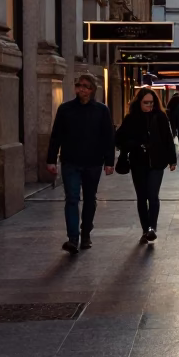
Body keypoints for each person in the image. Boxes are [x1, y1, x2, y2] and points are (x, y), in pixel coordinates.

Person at [46, 74, 115, 253]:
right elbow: (56, 136)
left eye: (85, 86)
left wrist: (109, 161)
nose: (81, 89)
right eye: (78, 85)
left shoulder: (102, 110)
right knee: (72, 198)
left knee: (90, 199)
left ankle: (86, 233)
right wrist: (51, 159)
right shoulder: (65, 109)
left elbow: (108, 137)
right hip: (71, 162)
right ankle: (73, 238)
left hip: (93, 162)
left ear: (92, 89)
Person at [116, 88, 177, 244]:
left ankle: (152, 228)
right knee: (142, 197)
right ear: (139, 103)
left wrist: (172, 159)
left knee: (153, 195)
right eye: (146, 103)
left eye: (151, 103)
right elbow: (119, 139)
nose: (149, 106)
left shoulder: (161, 117)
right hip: (138, 163)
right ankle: (145, 229)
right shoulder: (131, 119)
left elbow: (167, 138)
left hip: (157, 162)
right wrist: (136, 144)